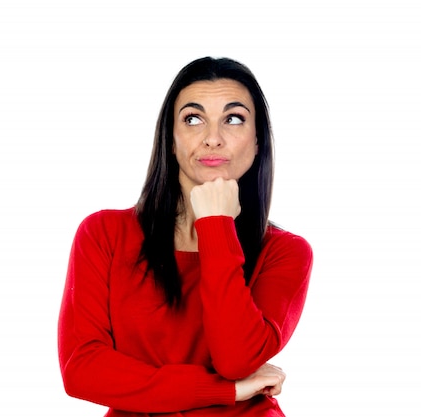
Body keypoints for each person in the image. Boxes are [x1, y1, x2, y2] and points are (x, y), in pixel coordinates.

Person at [57, 56, 313, 416]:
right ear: (171, 139)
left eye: (234, 118)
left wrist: (215, 224)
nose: (212, 138)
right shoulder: (104, 234)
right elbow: (82, 371)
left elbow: (235, 359)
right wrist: (226, 391)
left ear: (257, 143)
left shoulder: (285, 252)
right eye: (193, 119)